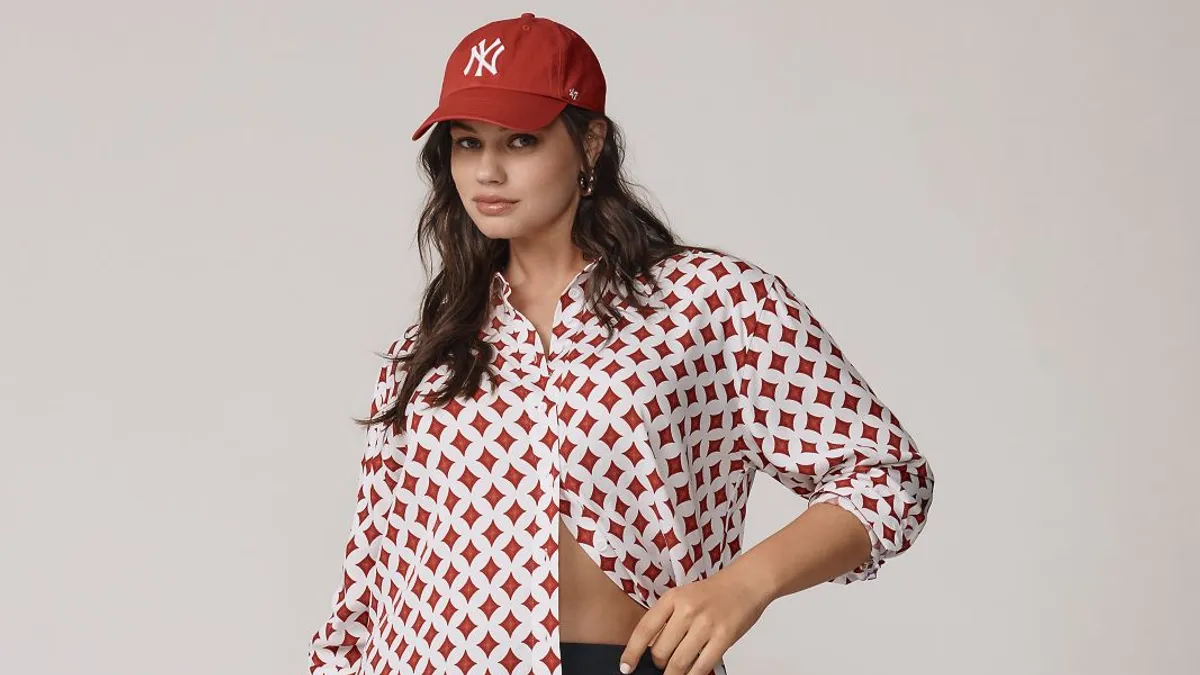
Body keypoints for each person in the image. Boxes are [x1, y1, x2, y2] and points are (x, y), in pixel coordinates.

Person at [307, 12, 934, 675]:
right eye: (467, 143)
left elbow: (884, 476)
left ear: (590, 142)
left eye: (520, 141)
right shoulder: (430, 350)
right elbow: (366, 586)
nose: (487, 171)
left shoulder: (712, 302)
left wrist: (744, 585)